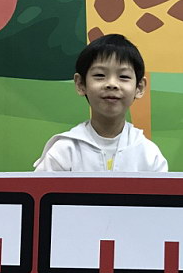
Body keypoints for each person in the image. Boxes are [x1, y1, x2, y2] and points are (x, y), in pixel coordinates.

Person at [34, 34, 168, 172]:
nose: (112, 84)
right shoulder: (64, 151)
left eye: (123, 76)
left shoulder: (149, 155)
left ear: (139, 87)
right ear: (81, 84)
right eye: (99, 75)